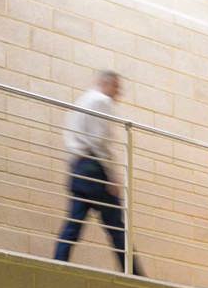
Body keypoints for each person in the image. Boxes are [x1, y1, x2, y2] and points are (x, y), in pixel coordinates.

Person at [53, 71, 143, 276]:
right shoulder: (101, 102)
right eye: (117, 88)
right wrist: (112, 176)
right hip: (95, 168)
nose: (118, 93)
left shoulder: (82, 101)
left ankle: (58, 263)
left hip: (78, 166)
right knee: (117, 227)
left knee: (74, 223)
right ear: (107, 84)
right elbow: (100, 142)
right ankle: (135, 275)